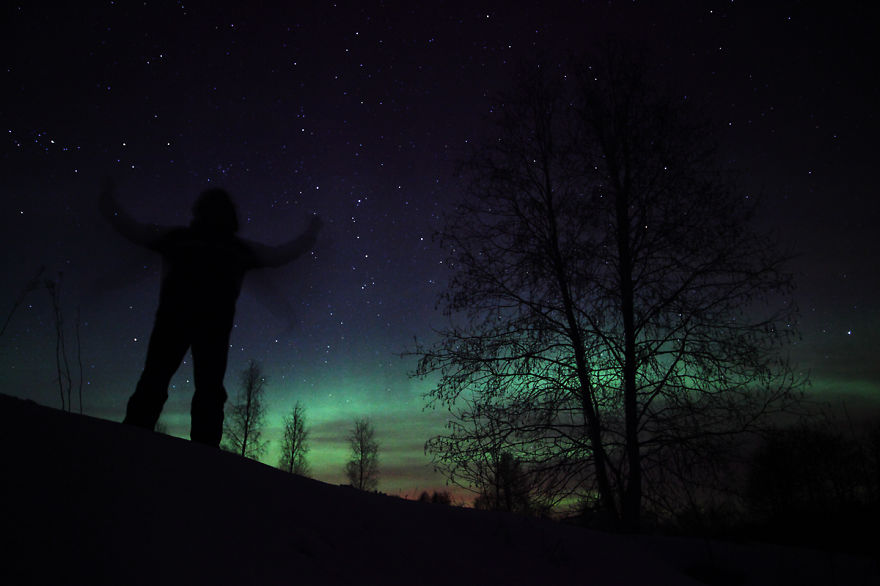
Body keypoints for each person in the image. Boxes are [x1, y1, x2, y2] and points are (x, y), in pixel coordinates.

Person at [100, 182, 322, 446]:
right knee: (186, 387)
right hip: (201, 327)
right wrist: (311, 234)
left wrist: (108, 202)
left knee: (170, 384)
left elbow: (132, 230)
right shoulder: (225, 248)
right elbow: (279, 255)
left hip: (183, 323)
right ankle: (186, 452)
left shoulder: (188, 241)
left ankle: (138, 442)